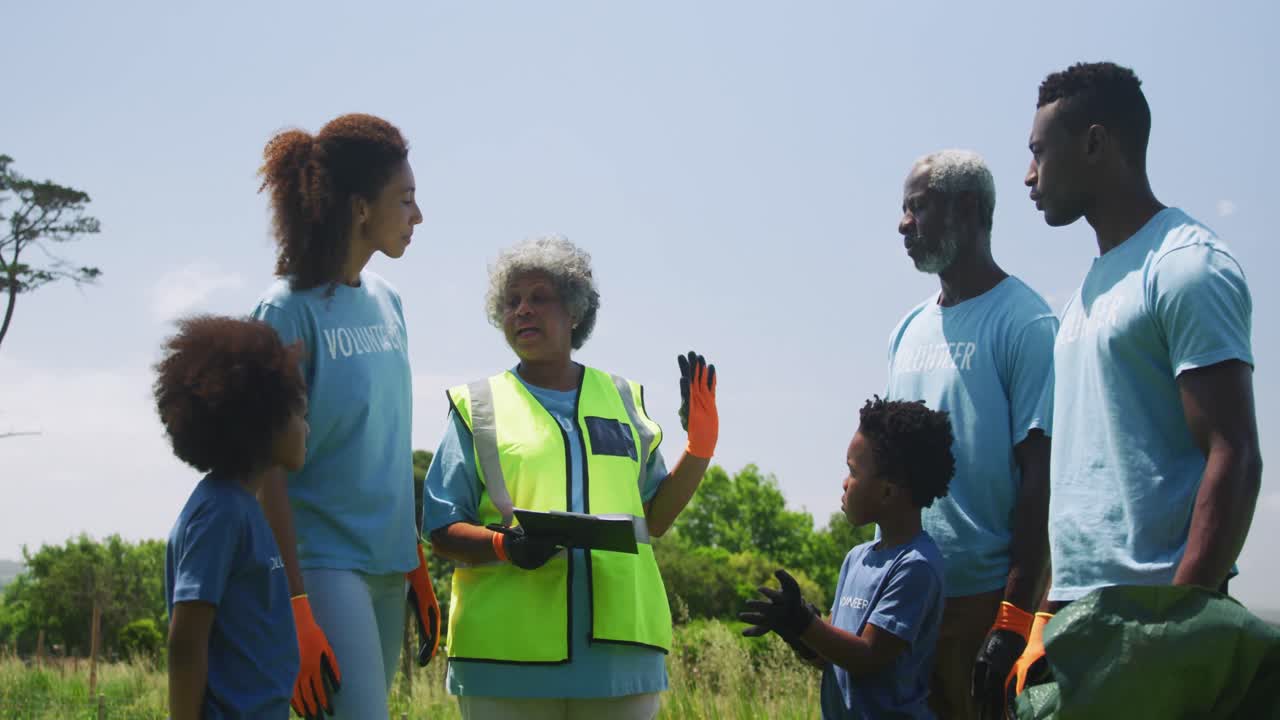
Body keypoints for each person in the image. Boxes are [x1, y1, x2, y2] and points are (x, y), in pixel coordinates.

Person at [1014, 61, 1261, 702]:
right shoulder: (1084, 296)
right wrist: (1041, 616)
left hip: (1149, 618)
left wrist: (1176, 628)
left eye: (1040, 152)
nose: (1029, 176)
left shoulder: (1184, 266)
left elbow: (1234, 455)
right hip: (1076, 617)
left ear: (1095, 143)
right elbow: (1079, 479)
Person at [424, 235, 720, 720]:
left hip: (620, 654)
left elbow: (656, 519)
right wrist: (504, 546)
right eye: (512, 300)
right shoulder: (475, 406)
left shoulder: (623, 399)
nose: (522, 310)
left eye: (539, 298)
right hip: (504, 656)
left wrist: (699, 448)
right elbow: (440, 526)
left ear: (576, 311)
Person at [252, 113, 439, 720]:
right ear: (360, 208)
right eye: (405, 199)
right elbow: (264, 470)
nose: (418, 216)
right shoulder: (285, 313)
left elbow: (384, 444)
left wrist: (414, 560)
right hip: (323, 567)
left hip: (390, 563)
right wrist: (296, 602)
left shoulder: (391, 303)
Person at [889, 150, 1057, 719]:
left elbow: (1042, 478)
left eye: (917, 208)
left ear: (966, 209)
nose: (903, 224)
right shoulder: (907, 330)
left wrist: (1012, 620)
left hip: (984, 601)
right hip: (908, 597)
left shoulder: (1027, 323)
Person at [739, 396, 955, 719]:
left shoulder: (916, 566)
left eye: (852, 471)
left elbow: (867, 657)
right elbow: (835, 659)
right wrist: (798, 634)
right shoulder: (857, 559)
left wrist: (804, 621)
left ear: (887, 491)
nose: (844, 482)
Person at [157, 315, 307, 719]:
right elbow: (187, 635)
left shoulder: (242, 507)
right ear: (263, 419)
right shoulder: (221, 512)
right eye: (299, 414)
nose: (306, 428)